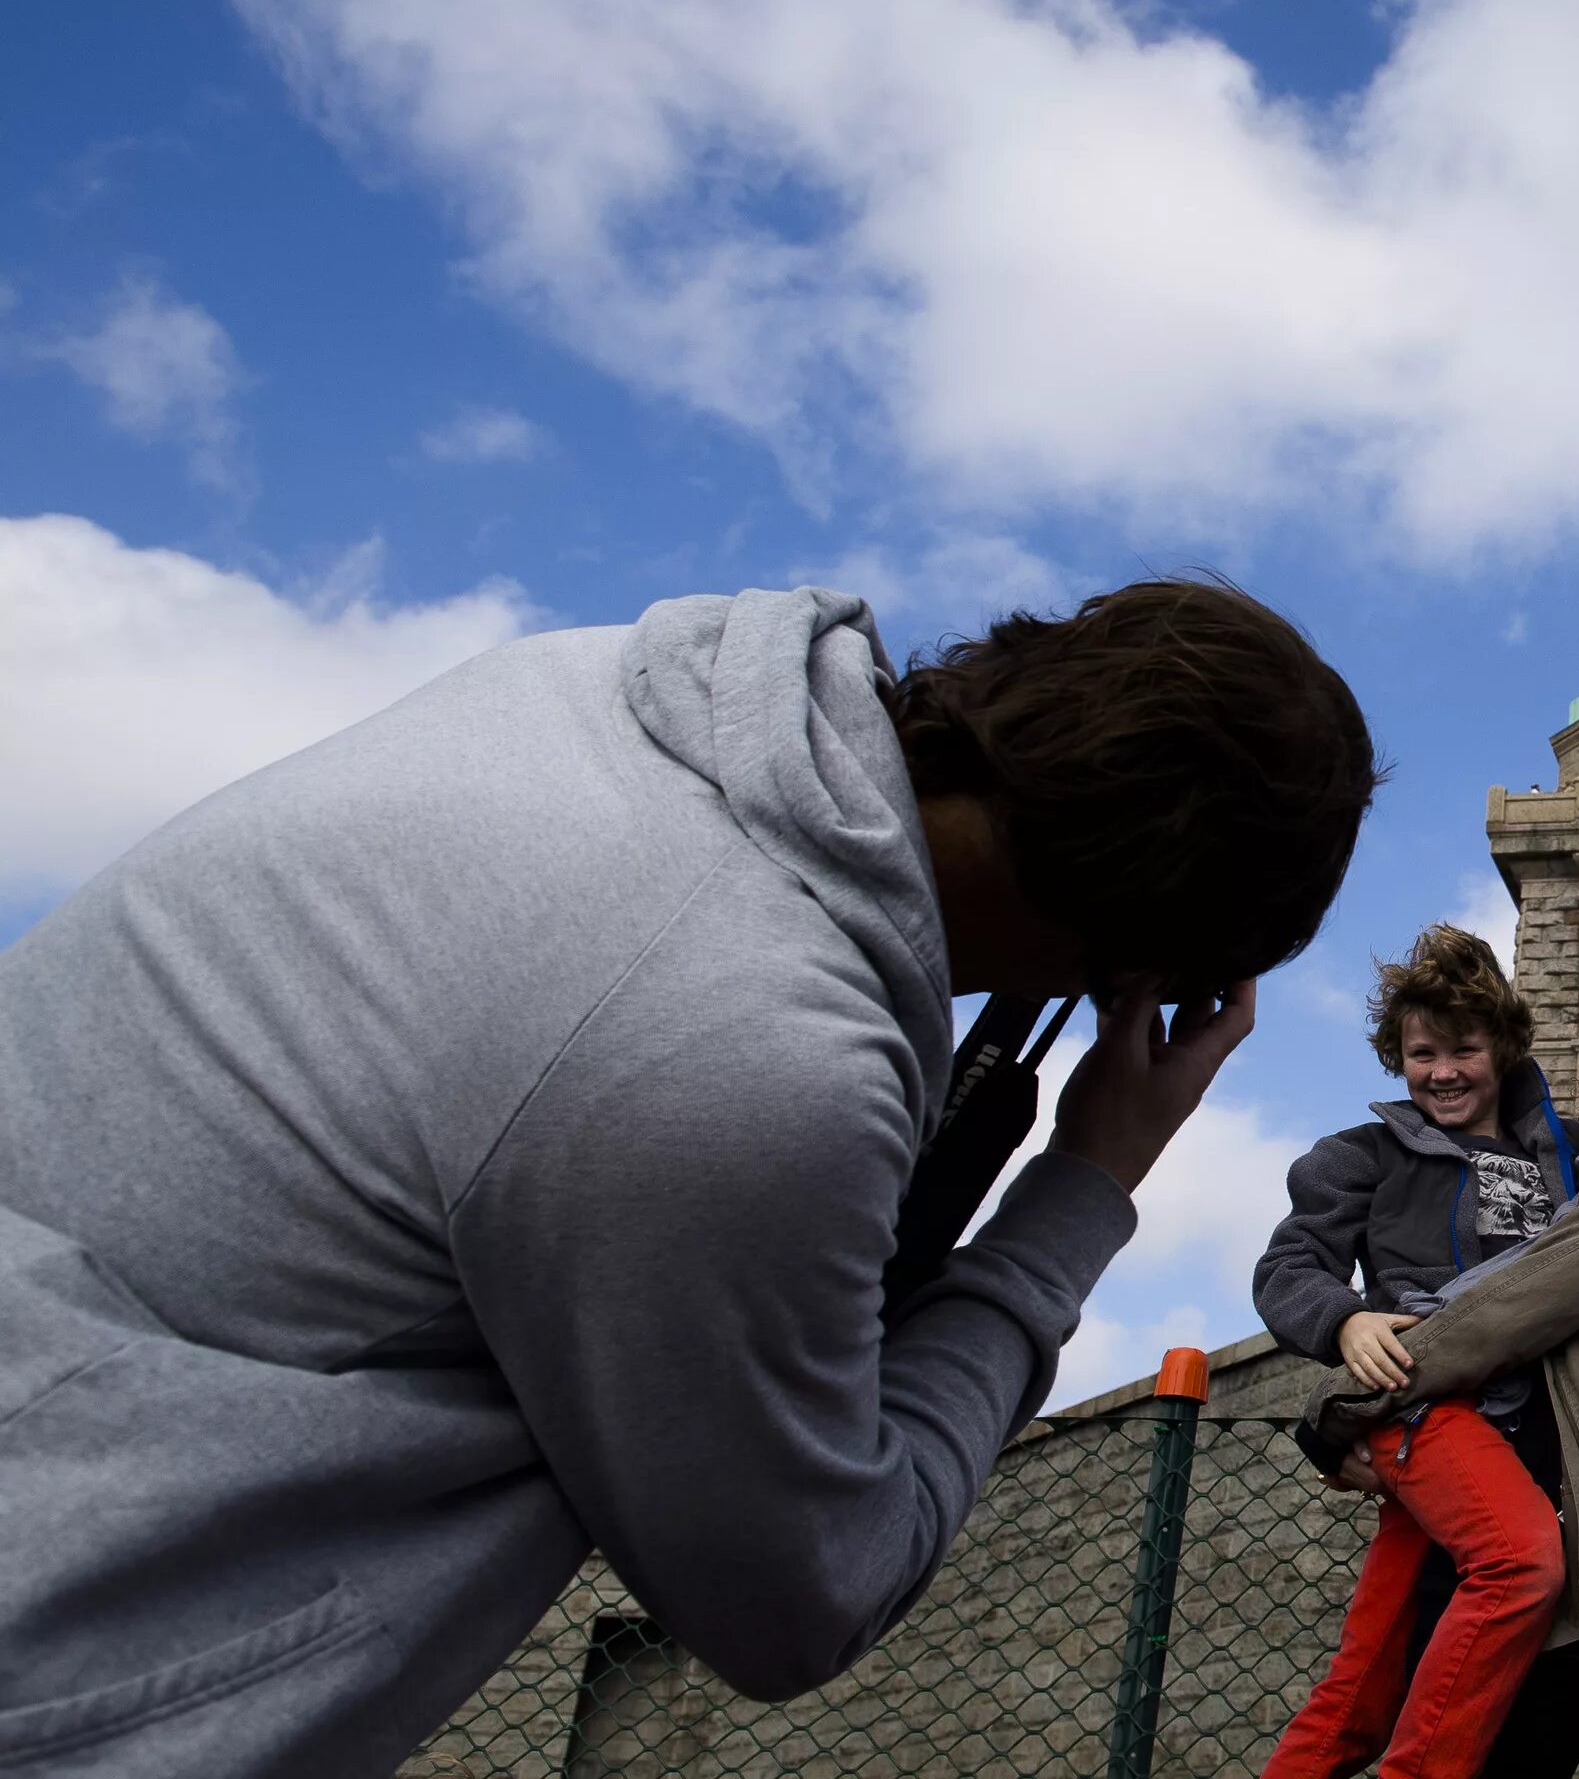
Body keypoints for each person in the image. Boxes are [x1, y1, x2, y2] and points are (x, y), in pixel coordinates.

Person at [0, 579, 1376, 1779]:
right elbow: (802, 1597)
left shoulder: (594, 687)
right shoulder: (747, 1058)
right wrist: (1083, 1185)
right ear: (1144, 965)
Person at [1265, 990, 1579, 1779]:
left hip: (1503, 1471)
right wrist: (1347, 1327)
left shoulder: (1574, 1161)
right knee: (1355, 1700)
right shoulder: (1366, 1152)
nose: (1446, 1071)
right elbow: (1291, 1268)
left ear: (1507, 1054)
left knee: (1380, 1690)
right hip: (1427, 1427)